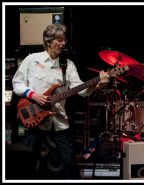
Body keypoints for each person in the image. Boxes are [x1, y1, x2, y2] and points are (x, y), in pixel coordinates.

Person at [12, 24, 109, 179]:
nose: (63, 43)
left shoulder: (68, 65)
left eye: (64, 40)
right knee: (29, 162)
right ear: (48, 42)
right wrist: (34, 95)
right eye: (59, 40)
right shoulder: (31, 60)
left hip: (59, 121)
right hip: (34, 119)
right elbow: (17, 84)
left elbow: (81, 90)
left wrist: (97, 85)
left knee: (70, 163)